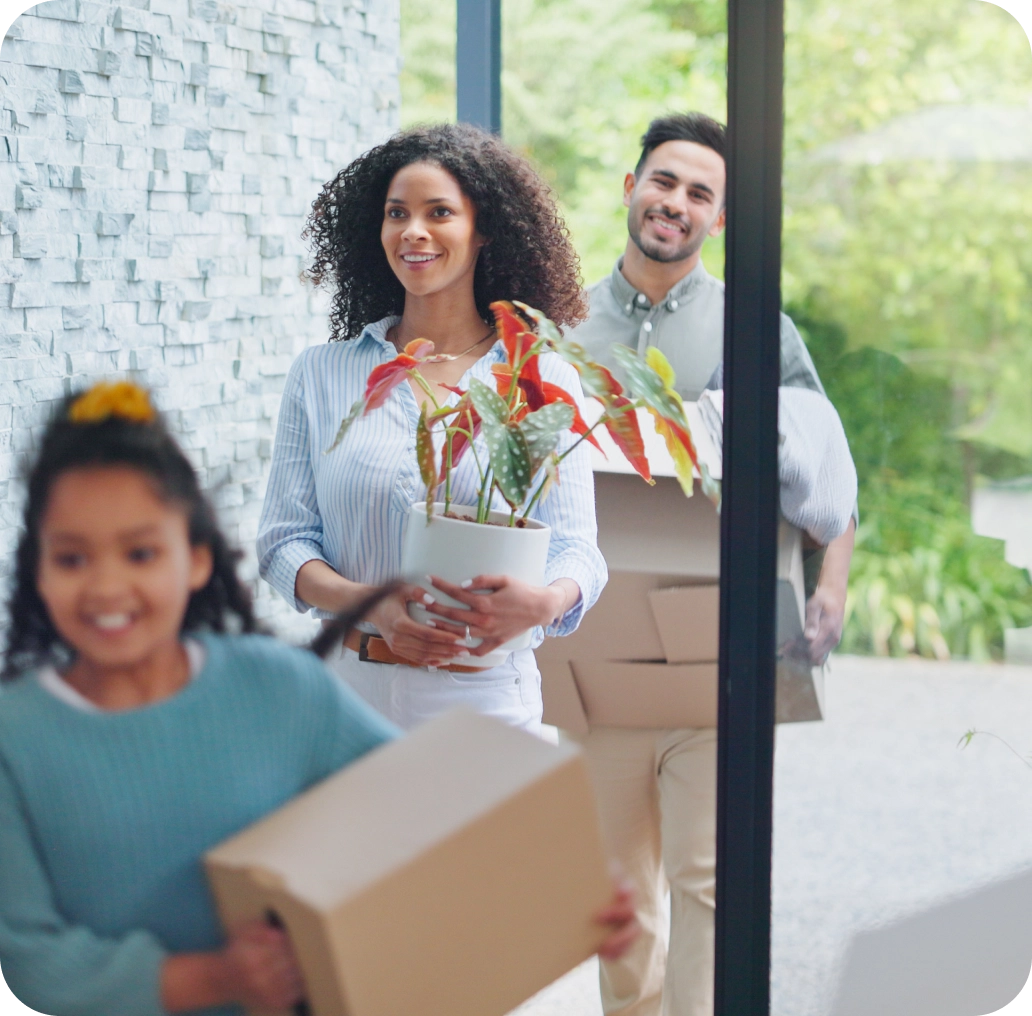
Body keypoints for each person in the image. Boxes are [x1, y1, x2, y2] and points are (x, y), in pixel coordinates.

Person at [0, 381, 639, 1015]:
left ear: (195, 559)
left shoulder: (277, 689)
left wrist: (564, 890)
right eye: (72, 558)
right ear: (38, 569)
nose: (107, 587)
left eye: (140, 552)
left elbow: (429, 814)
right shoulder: (16, 739)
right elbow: (30, 960)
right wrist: (216, 978)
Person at [566, 112, 857, 1016]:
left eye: (700, 194)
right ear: (631, 187)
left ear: (719, 219)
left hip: (718, 648)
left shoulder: (754, 326)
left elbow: (827, 466)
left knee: (708, 882)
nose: (676, 204)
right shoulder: (563, 323)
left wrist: (832, 585)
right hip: (597, 658)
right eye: (664, 182)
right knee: (614, 899)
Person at [257, 123, 607, 734]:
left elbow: (578, 550)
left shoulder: (537, 375)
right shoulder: (322, 374)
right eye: (398, 213)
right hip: (348, 702)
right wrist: (374, 607)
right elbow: (284, 545)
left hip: (487, 704)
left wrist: (546, 603)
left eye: (439, 212)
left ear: (483, 231)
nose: (413, 231)